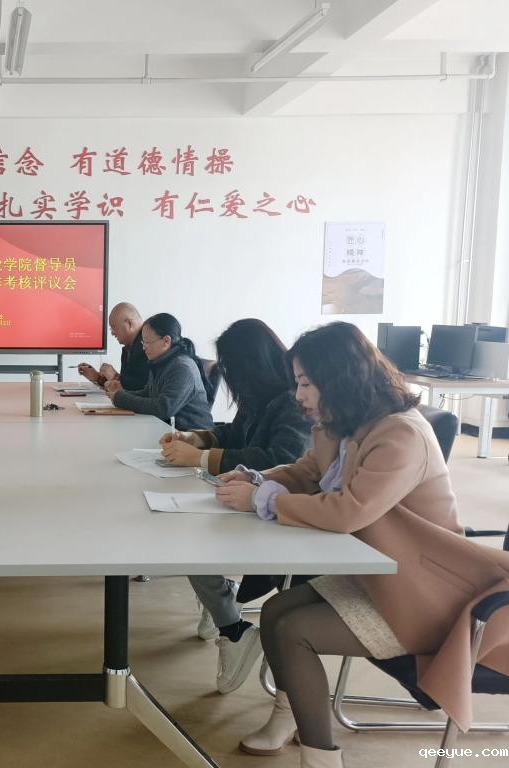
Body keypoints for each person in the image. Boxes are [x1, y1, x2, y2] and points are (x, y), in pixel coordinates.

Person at [214, 322, 509, 768]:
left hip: (427, 593)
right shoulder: (340, 423)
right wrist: (256, 479)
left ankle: (321, 758)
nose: (298, 394)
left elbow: (349, 511)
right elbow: (306, 472)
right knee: (275, 612)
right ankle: (290, 716)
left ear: (339, 379)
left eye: (306, 383)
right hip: (381, 573)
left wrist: (263, 499)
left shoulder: (400, 435)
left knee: (295, 631)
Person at [158, 318, 312, 693]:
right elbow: (238, 433)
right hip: (252, 500)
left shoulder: (292, 401)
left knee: (189, 539)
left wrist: (201, 459)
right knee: (182, 529)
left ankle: (232, 627)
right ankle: (221, 605)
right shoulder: (263, 396)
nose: (228, 378)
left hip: (281, 510)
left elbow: (280, 458)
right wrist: (197, 437)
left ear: (250, 366)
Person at [106, 313, 214, 430]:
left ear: (166, 341)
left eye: (147, 342)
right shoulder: (161, 362)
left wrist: (120, 398)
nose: (144, 347)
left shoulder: (182, 368)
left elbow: (163, 408)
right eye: (143, 342)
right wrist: (120, 393)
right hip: (169, 431)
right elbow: (148, 393)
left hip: (193, 437)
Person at [77, 302, 148, 391]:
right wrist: (97, 378)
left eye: (114, 327)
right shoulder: (128, 348)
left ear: (129, 323)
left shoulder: (148, 347)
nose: (112, 333)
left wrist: (115, 377)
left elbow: (146, 390)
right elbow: (124, 389)